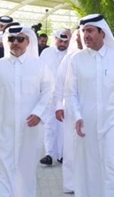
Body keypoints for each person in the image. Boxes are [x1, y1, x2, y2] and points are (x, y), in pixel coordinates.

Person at [65, 14, 114, 196]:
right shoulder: (76, 59)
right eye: (83, 31)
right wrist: (77, 116)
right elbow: (70, 93)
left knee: (112, 166)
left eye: (90, 31)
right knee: (87, 168)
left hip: (113, 122)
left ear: (102, 32)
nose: (86, 35)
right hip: (86, 124)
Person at [0, 25, 53, 196]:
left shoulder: (39, 66)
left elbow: (50, 91)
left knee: (25, 175)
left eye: (20, 39)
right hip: (1, 130)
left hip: (30, 131)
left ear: (28, 41)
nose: (15, 43)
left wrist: (39, 112)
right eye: (11, 39)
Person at [54, 28, 83, 194]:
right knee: (71, 149)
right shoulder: (69, 58)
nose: (80, 39)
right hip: (71, 110)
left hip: (93, 113)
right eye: (79, 35)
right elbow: (59, 83)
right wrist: (58, 105)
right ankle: (71, 185)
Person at [39, 29, 72, 166]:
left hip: (65, 95)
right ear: (55, 39)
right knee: (49, 125)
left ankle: (63, 154)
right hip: (48, 94)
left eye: (66, 41)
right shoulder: (47, 53)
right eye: (60, 40)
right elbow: (39, 71)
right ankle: (49, 154)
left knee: (64, 126)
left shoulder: (71, 55)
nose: (63, 44)